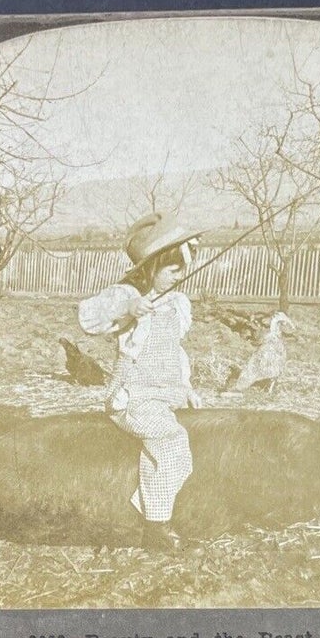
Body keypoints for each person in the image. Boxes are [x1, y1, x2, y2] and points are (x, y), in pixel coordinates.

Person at [78, 212, 203, 549]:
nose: (181, 276)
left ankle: (159, 506)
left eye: (184, 269)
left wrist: (187, 386)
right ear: (151, 267)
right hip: (134, 396)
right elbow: (88, 318)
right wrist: (129, 308)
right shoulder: (126, 297)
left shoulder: (176, 302)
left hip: (168, 392)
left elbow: (174, 350)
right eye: (174, 270)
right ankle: (155, 527)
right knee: (170, 442)